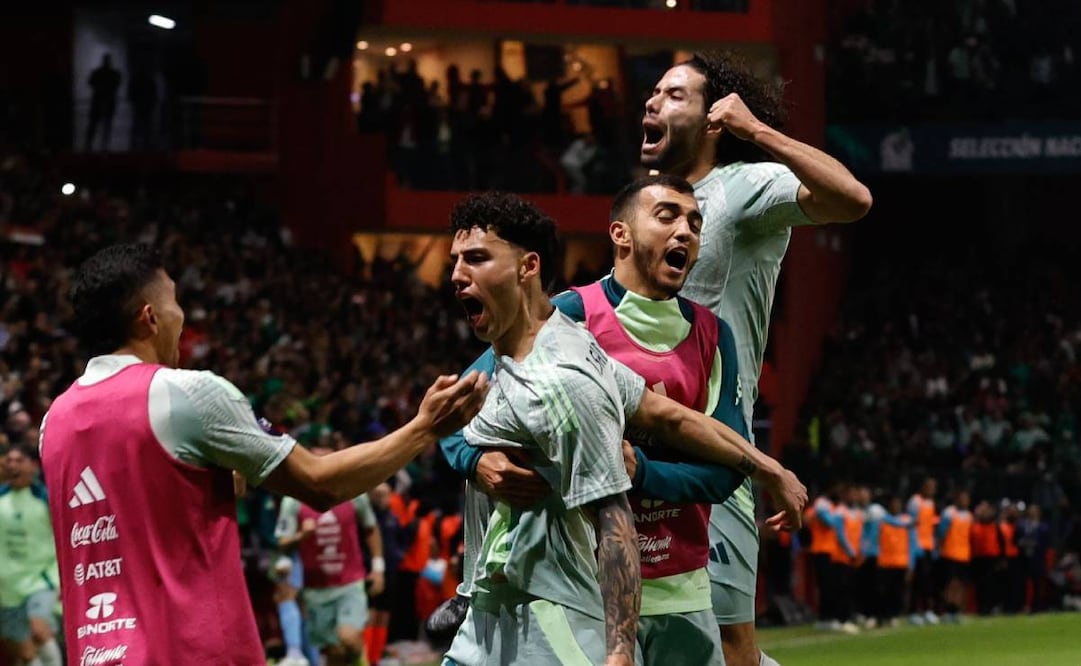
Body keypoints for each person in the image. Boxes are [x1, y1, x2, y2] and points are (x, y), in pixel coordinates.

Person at [38, 243, 488, 664]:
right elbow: (320, 482)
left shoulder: (52, 423)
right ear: (150, 317)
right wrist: (424, 428)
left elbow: (136, 512)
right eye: (175, 301)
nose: (183, 314)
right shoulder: (185, 393)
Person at [440, 192, 804, 666]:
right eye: (668, 215)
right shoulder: (566, 318)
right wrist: (477, 459)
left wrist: (650, 470)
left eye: (696, 222)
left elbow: (688, 443)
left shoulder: (704, 336)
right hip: (554, 588)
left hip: (666, 587)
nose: (686, 231)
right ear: (620, 233)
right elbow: (452, 419)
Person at [639, 49, 873, 666]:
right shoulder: (650, 208)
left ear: (716, 118)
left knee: (729, 645)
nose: (652, 101)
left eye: (673, 94)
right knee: (646, 640)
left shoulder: (742, 187)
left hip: (718, 450)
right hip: (643, 448)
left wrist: (760, 133)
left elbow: (852, 199)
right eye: (653, 93)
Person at [275, 449, 384, 666]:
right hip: (316, 588)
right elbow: (282, 542)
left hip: (350, 582)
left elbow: (371, 527)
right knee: (334, 652)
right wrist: (301, 536)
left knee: (349, 639)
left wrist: (378, 567)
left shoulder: (353, 493)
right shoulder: (293, 501)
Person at [0, 445, 62, 666]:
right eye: (8, 461)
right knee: (26, 654)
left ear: (33, 466)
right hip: (7, 589)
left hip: (41, 580)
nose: (12, 465)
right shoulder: (1, 501)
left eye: (19, 460)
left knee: (39, 629)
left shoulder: (47, 499)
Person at [934, 489, 973, 623]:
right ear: (957, 499)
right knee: (951, 584)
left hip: (964, 555)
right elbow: (941, 533)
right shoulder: (949, 513)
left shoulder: (969, 515)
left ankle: (956, 610)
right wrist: (938, 549)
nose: (965, 501)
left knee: (961, 584)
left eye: (967, 499)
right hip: (950, 553)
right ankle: (948, 610)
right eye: (963, 498)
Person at [908, 477, 940, 624]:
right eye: (929, 486)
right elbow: (912, 524)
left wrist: (933, 545)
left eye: (934, 487)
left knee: (928, 580)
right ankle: (913, 611)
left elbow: (931, 526)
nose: (932, 489)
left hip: (928, 546)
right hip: (918, 546)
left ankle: (927, 610)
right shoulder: (915, 501)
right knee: (918, 580)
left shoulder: (931, 503)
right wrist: (914, 546)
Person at [85, 53, 122, 152]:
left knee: (95, 124)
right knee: (106, 125)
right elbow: (117, 84)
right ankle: (103, 145)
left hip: (99, 101)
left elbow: (91, 82)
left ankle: (90, 144)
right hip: (107, 101)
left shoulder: (98, 73)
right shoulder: (113, 73)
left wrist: (100, 88)